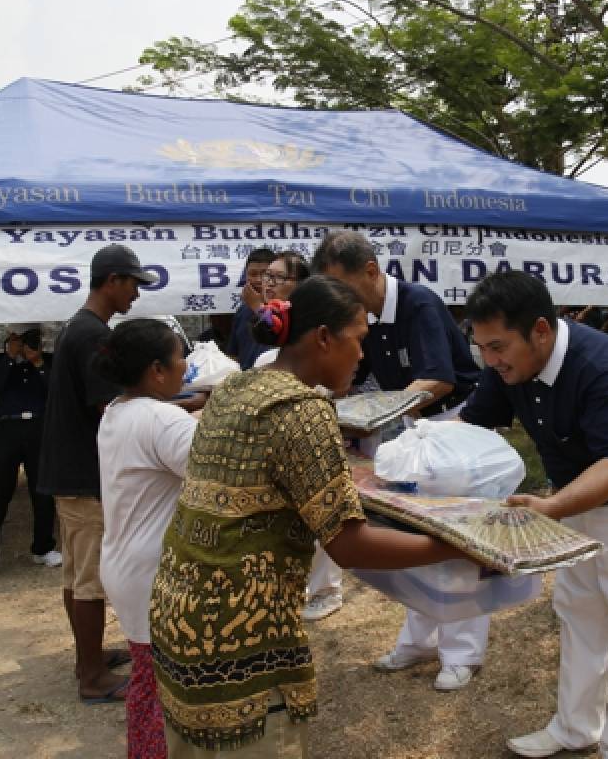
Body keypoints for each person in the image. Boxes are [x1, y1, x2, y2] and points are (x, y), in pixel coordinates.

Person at [149, 276, 476, 757]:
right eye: (358, 340)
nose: (362, 356)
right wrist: (455, 543)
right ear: (324, 337)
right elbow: (348, 544)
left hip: (180, 612)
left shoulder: (237, 386)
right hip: (245, 635)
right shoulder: (303, 410)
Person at [457, 271, 608, 759]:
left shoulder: (605, 363)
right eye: (481, 347)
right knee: (580, 614)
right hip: (574, 500)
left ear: (540, 330)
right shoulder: (510, 366)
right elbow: (471, 423)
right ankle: (575, 727)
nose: (490, 360)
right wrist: (411, 455)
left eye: (497, 346)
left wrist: (550, 507)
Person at [311, 230, 485, 692]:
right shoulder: (360, 318)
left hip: (453, 427)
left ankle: (462, 652)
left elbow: (439, 380)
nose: (339, 302)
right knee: (411, 535)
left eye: (343, 289)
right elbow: (360, 381)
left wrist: (375, 417)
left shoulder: (418, 304)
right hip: (407, 431)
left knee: (454, 535)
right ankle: (419, 638)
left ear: (370, 271)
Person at [37, 244, 157, 704]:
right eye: (133, 284)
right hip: (84, 476)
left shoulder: (81, 326)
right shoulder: (91, 335)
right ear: (111, 280)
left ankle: (88, 656)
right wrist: (178, 403)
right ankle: (91, 677)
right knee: (89, 580)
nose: (135, 295)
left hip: (69, 471)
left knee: (76, 575)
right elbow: (112, 408)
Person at [96, 320, 198, 759]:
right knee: (167, 688)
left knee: (148, 680)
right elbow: (217, 473)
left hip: (125, 565)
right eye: (180, 359)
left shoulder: (116, 410)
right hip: (154, 571)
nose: (185, 367)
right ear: (157, 370)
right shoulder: (163, 419)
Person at [253, 251, 344, 623]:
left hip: (305, 425)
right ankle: (304, 581)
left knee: (320, 503)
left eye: (278, 277)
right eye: (265, 276)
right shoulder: (263, 323)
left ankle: (327, 588)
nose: (267, 283)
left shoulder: (314, 333)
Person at [0, 324, 60, 583]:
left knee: (43, 493)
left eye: (32, 338)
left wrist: (38, 362)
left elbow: (55, 389)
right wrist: (10, 356)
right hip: (8, 428)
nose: (27, 343)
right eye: (21, 339)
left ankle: (43, 547)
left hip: (40, 428)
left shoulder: (49, 361)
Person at [225, 247, 276, 369]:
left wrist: (257, 306)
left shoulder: (284, 306)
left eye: (264, 274)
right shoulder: (242, 311)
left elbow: (276, 329)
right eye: (253, 274)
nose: (258, 280)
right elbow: (233, 354)